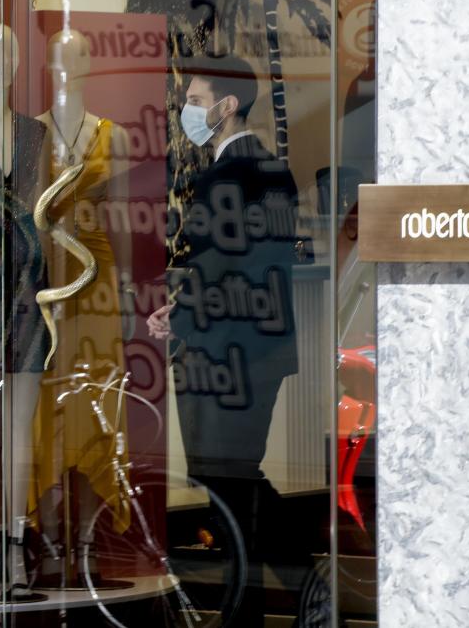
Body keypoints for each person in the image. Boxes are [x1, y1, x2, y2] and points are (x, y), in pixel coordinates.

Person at [148, 59, 309, 624]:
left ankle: (289, 577)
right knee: (232, 478)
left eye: (196, 97)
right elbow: (242, 268)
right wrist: (184, 308)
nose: (188, 108)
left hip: (225, 354)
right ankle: (274, 591)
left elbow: (218, 265)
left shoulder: (225, 176)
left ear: (227, 105)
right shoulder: (272, 169)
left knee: (222, 479)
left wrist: (181, 318)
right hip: (255, 348)